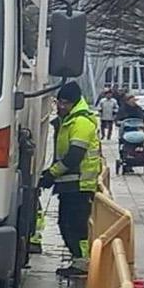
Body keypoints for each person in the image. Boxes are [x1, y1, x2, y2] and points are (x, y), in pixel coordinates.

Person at [41, 80, 103, 277]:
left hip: (80, 183)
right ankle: (79, 259)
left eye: (64, 103)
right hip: (71, 183)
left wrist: (52, 173)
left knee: (75, 225)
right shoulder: (69, 120)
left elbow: (74, 156)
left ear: (74, 102)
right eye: (58, 102)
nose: (60, 106)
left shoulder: (81, 122)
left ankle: (83, 263)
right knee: (66, 223)